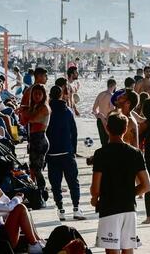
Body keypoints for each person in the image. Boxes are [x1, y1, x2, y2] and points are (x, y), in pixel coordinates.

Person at [90, 112, 150, 254]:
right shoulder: (135, 153)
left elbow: (95, 187)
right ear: (125, 130)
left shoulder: (101, 153)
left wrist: (94, 198)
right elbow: (146, 185)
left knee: (112, 250)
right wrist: (129, 194)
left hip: (109, 207)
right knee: (128, 249)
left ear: (107, 128)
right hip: (129, 208)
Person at [0, 171, 45, 253]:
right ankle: (34, 244)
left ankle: (37, 241)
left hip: (0, 233)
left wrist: (1, 194)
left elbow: (6, 209)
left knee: (23, 210)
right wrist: (18, 198)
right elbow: (8, 208)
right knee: (20, 208)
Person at [46, 86, 86, 221]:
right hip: (67, 151)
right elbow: (74, 132)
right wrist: (73, 150)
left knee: (56, 184)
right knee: (73, 182)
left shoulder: (47, 111)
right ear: (62, 95)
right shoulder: (68, 111)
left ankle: (61, 209)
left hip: (51, 153)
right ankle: (76, 208)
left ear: (50, 96)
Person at [21, 84, 51, 195]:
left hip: (40, 139)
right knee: (32, 167)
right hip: (33, 139)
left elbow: (32, 119)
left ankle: (42, 189)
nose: (37, 96)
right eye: (35, 94)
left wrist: (24, 111)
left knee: (37, 168)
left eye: (39, 94)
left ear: (43, 95)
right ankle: (35, 189)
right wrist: (25, 111)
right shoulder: (35, 107)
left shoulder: (44, 107)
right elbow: (24, 121)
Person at [92, 79, 116, 147]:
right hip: (108, 121)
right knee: (109, 142)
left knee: (103, 143)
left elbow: (94, 109)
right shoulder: (111, 96)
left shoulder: (100, 94)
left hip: (100, 120)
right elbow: (112, 110)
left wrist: (98, 116)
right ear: (114, 86)